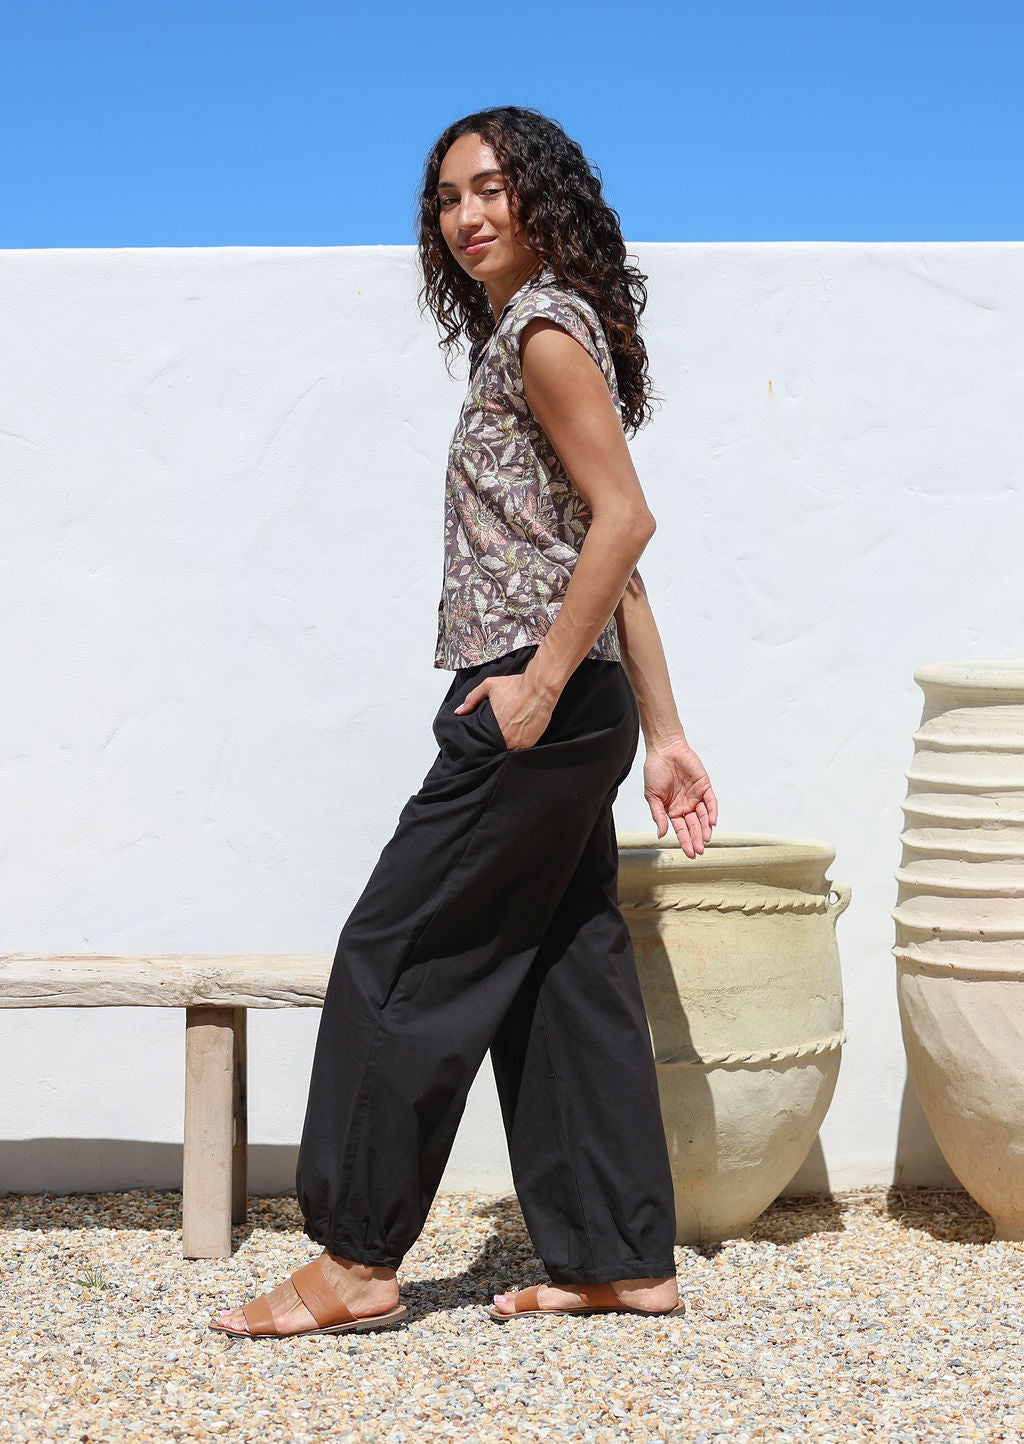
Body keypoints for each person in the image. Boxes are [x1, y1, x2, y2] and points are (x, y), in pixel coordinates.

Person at [212, 106, 717, 1339]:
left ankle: (354, 1257)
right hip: (573, 698)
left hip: (530, 696)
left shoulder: (544, 332)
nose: (468, 215)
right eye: (448, 199)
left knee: (396, 947)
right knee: (560, 969)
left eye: (492, 189)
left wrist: (541, 688)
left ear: (542, 197)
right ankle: (615, 1255)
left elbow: (625, 521)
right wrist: (659, 729)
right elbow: (607, 552)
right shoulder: (540, 334)